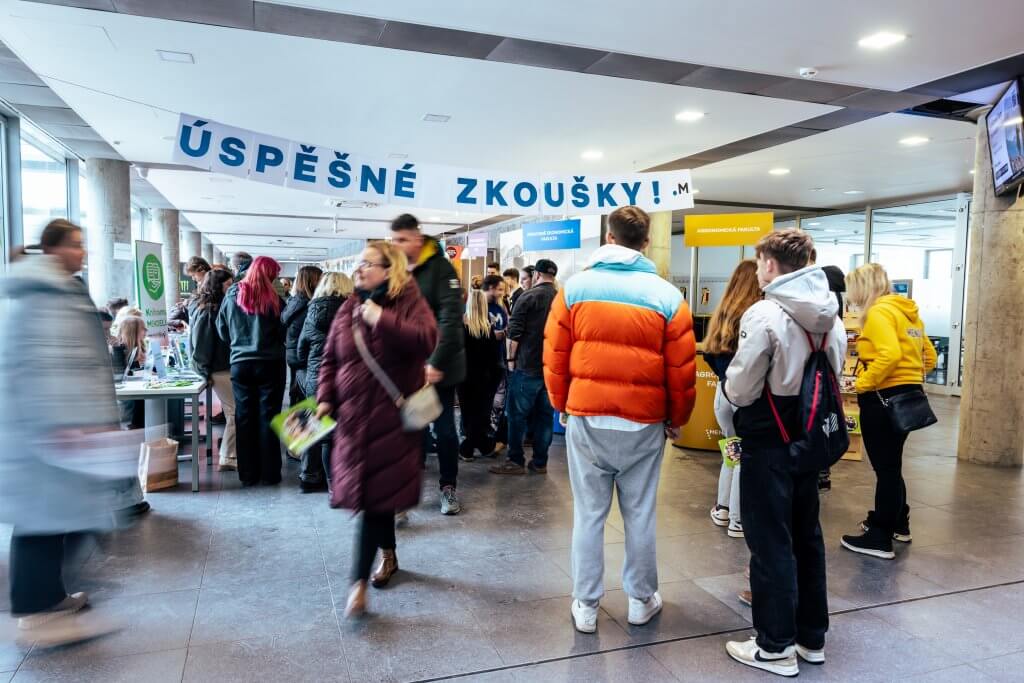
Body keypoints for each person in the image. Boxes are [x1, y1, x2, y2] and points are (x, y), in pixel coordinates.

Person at [543, 205, 697, 634]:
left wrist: (562, 404)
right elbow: (681, 369)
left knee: (589, 513)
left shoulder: (574, 289)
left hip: (587, 416)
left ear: (608, 238)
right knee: (640, 513)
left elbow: (554, 356)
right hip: (644, 420)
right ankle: (641, 600)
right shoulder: (668, 296)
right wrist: (678, 417)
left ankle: (586, 604)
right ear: (646, 242)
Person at [722, 229, 846, 677]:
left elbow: (742, 388)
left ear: (771, 264)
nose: (758, 271)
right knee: (806, 536)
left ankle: (774, 647)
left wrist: (729, 390)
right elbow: (835, 372)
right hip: (809, 439)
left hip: (768, 440)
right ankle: (811, 638)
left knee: (770, 542)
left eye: (759, 263)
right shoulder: (831, 315)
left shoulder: (766, 313)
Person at [0, 219, 122, 646]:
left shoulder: (59, 291)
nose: (82, 252)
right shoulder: (43, 296)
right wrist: (67, 423)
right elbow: (50, 365)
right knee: (45, 520)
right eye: (75, 244)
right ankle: (36, 613)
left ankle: (49, 598)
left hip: (68, 428)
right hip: (53, 431)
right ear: (52, 249)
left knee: (62, 520)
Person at [314, 242, 437, 618]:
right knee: (374, 498)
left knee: (374, 500)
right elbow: (330, 358)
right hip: (354, 422)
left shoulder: (409, 302)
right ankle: (388, 555)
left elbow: (427, 339)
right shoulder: (348, 307)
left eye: (367, 264)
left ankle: (358, 584)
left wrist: (381, 318)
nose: (359, 269)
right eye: (358, 263)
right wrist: (325, 397)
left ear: (389, 269)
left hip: (392, 421)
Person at [841, 263, 936, 560]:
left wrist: (862, 383)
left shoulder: (879, 313)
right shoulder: (908, 313)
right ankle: (899, 523)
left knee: (886, 469)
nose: (850, 296)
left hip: (881, 399)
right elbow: (929, 357)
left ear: (862, 287)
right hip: (906, 397)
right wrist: (908, 376)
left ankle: (879, 537)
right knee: (892, 465)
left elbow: (890, 354)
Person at [390, 213, 467, 515]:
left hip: (439, 368)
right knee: (412, 430)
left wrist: (434, 362)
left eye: (402, 239)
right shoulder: (397, 269)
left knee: (444, 430)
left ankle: (448, 487)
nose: (397, 245)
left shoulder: (440, 269)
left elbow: (450, 319)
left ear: (417, 238)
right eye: (394, 240)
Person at [217, 256, 287, 486]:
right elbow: (284, 331)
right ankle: (270, 474)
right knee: (269, 417)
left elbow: (222, 329)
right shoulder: (275, 299)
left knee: (244, 418)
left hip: (241, 364)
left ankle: (247, 474)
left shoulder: (232, 295)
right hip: (271, 364)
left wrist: (238, 343)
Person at [704, 260, 761, 540]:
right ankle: (738, 521)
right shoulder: (758, 315)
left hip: (722, 395)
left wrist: (723, 377)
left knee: (731, 450)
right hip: (745, 394)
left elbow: (708, 352)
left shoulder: (722, 312)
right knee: (744, 457)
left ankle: (723, 508)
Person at [490, 259, 559, 475]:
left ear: (536, 274)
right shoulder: (561, 298)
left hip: (526, 365)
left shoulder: (528, 297)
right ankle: (540, 462)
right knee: (545, 417)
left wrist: (510, 361)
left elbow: (514, 333)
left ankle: (515, 460)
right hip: (550, 368)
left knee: (517, 415)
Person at [296, 271, 353, 492]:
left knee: (322, 434)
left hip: (316, 379)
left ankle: (327, 484)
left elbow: (301, 351)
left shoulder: (311, 312)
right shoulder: (353, 312)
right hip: (346, 379)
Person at [189, 268, 237, 472]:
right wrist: (204, 371)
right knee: (234, 412)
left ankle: (230, 454)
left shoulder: (213, 308)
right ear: (218, 286)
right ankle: (228, 456)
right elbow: (201, 345)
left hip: (222, 366)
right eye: (228, 284)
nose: (232, 287)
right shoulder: (209, 311)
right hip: (219, 368)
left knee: (233, 411)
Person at [458, 289, 504, 462]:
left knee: (468, 413)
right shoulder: (488, 328)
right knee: (480, 414)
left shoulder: (461, 326)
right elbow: (493, 357)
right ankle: (478, 447)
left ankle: (472, 448)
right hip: (484, 378)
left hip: (464, 377)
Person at [282, 265, 324, 408]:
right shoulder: (309, 305)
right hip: (303, 356)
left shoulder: (294, 301)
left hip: (294, 354)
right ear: (311, 281)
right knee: (304, 397)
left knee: (296, 392)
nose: (323, 282)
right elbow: (306, 334)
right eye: (320, 279)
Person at [113, 315, 148, 429]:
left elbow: (136, 373)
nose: (146, 331)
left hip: (133, 396)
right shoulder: (119, 351)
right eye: (143, 328)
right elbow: (126, 377)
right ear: (134, 332)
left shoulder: (137, 349)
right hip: (127, 401)